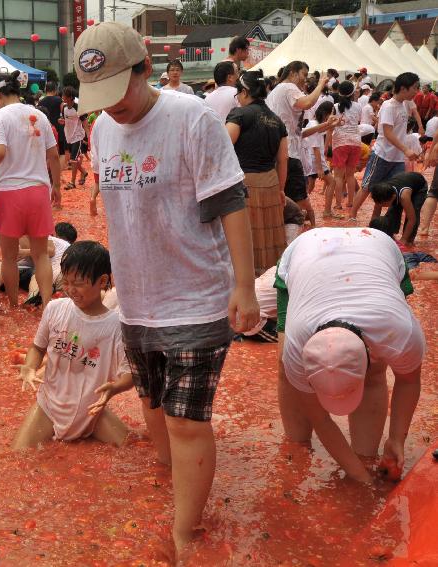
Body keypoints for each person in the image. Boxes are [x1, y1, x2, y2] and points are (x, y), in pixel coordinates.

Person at [75, 22, 259, 555]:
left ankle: (186, 532)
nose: (111, 107)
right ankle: (178, 490)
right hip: (137, 300)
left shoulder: (191, 119)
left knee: (184, 421)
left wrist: (243, 288)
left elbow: (230, 203)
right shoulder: (103, 129)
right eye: (100, 98)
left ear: (145, 69)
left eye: (119, 91)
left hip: (195, 295)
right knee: (154, 410)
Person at [275, 227, 425, 483]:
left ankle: (366, 454)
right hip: (307, 252)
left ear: (369, 352)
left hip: (376, 247)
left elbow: (409, 380)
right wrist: (359, 478)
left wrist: (396, 439)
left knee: (375, 374)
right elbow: (321, 419)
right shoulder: (297, 344)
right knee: (287, 372)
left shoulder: (399, 331)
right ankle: (297, 450)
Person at [13, 241, 132, 449]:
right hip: (48, 406)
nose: (70, 290)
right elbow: (38, 348)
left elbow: (130, 373)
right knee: (19, 454)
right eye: (66, 282)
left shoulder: (116, 326)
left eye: (78, 283)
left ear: (102, 281)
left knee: (133, 447)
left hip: (92, 411)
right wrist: (30, 367)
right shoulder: (54, 309)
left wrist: (115, 388)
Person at [0, 70, 62, 309]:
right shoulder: (39, 115)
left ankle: (13, 306)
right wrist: (57, 187)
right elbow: (53, 155)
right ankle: (46, 305)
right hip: (38, 191)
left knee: (9, 257)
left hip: (9, 192)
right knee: (41, 254)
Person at [225, 71, 288, 275]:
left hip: (244, 184)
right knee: (269, 238)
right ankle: (270, 280)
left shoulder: (239, 115)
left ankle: (248, 282)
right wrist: (281, 189)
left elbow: (223, 147)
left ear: (244, 92)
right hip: (270, 183)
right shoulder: (277, 120)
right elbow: (282, 160)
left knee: (246, 236)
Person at [351, 73, 421, 221]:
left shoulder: (404, 104)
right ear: (403, 88)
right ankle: (352, 216)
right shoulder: (389, 106)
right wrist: (406, 150)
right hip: (382, 154)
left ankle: (377, 220)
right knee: (367, 186)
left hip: (397, 159)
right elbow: (388, 133)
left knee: (389, 191)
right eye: (415, 88)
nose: (417, 91)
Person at [266, 61, 328, 227]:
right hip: (290, 154)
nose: (305, 80)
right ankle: (303, 237)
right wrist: (321, 83)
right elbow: (307, 103)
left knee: (285, 199)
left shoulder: (274, 92)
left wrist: (326, 125)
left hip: (279, 152)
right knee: (298, 202)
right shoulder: (288, 88)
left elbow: (298, 133)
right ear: (292, 73)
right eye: (304, 75)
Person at [329, 81, 364, 220]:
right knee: (350, 175)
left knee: (338, 176)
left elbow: (331, 126)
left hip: (340, 142)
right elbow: (359, 121)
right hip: (355, 142)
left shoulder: (335, 107)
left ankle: (338, 204)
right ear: (352, 92)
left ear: (339, 92)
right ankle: (350, 202)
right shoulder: (358, 106)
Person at [302, 101, 342, 217]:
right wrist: (319, 168)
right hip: (315, 159)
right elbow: (315, 147)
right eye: (331, 113)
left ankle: (302, 209)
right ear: (326, 113)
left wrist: (336, 123)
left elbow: (325, 128)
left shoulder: (314, 123)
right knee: (331, 181)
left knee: (309, 186)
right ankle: (327, 211)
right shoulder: (314, 124)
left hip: (312, 158)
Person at [368, 171, 428, 247]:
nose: (382, 206)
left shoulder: (404, 196)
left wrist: (404, 239)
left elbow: (411, 219)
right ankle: (390, 234)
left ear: (393, 197)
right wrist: (372, 231)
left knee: (414, 211)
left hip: (419, 188)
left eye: (384, 204)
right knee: (392, 212)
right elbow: (375, 215)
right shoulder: (380, 194)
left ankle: (409, 239)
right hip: (403, 183)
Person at [58, 86, 87, 189]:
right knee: (72, 159)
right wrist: (62, 121)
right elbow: (66, 119)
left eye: (64, 95)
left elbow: (84, 122)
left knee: (73, 160)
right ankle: (83, 172)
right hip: (68, 135)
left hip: (78, 136)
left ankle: (72, 182)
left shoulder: (78, 107)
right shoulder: (64, 108)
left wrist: (88, 137)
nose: (62, 97)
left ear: (70, 97)